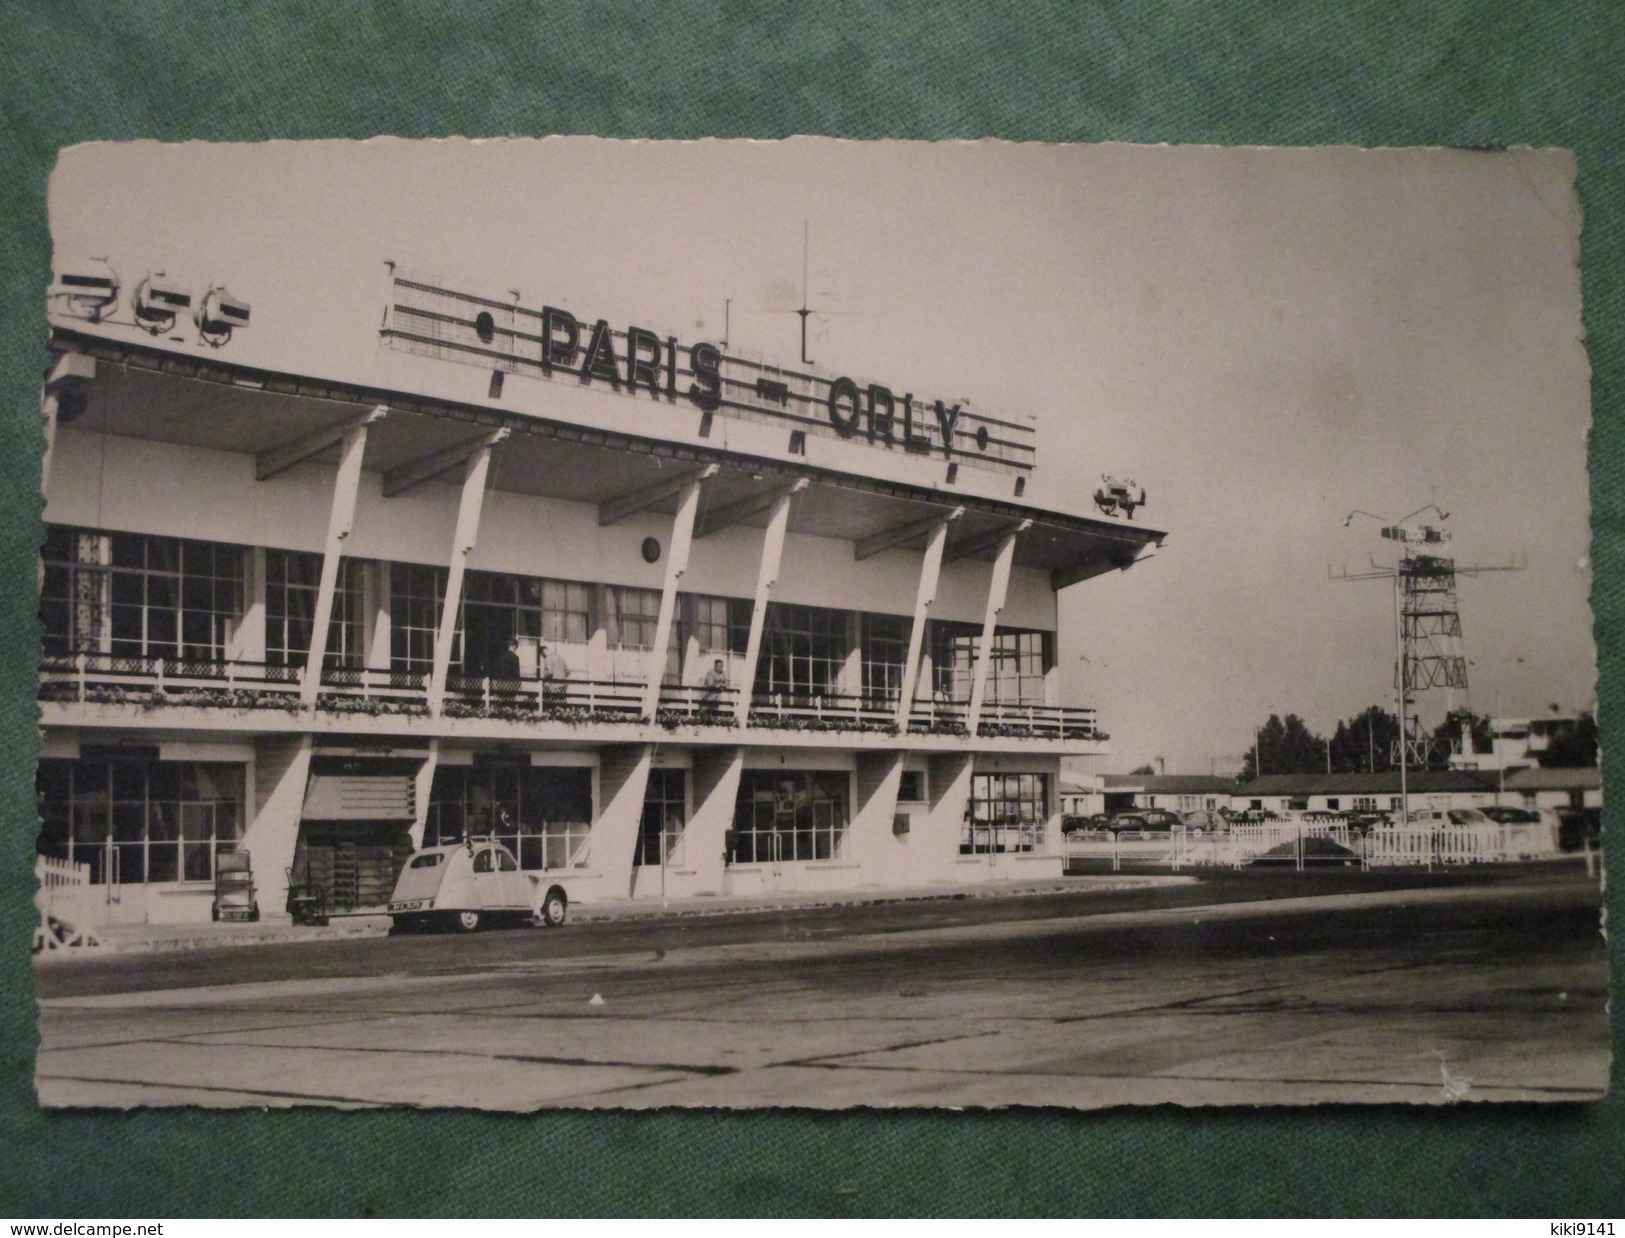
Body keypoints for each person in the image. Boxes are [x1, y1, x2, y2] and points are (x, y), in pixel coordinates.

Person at [539, 643, 570, 710]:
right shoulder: (561, 657)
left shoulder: (548, 658)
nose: (543, 657)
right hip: (563, 684)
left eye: (542, 656)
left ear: (543, 652)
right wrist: (561, 675)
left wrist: (543, 679)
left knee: (554, 703)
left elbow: (549, 672)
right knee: (562, 702)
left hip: (554, 685)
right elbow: (568, 671)